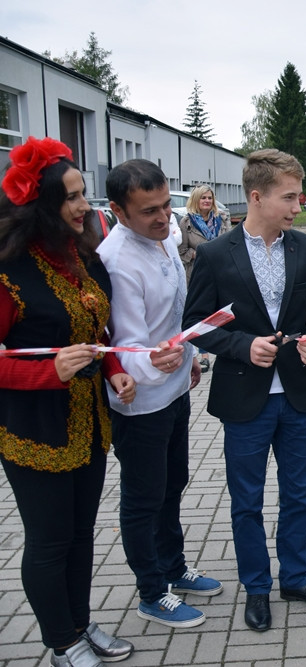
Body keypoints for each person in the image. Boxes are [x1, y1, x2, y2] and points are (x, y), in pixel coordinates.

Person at [182, 149, 306, 632]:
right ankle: (257, 587)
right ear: (256, 196)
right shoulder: (214, 254)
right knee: (247, 501)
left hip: (296, 396)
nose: (298, 206)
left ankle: (295, 577)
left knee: (299, 496)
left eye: (299, 196)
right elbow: (195, 325)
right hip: (244, 399)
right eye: (289, 197)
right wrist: (241, 345)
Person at [0, 137, 136, 666]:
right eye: (73, 197)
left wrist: (117, 371)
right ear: (41, 206)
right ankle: (60, 642)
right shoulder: (9, 272)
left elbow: (97, 333)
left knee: (81, 535)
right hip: (35, 431)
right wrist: (47, 370)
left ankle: (79, 623)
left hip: (90, 425)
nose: (86, 206)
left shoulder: (79, 257)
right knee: (49, 540)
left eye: (84, 194)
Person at [98, 160, 224, 629]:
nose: (161, 217)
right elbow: (123, 340)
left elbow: (175, 314)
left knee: (173, 483)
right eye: (148, 210)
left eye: (166, 205)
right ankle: (151, 592)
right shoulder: (115, 261)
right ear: (117, 211)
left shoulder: (164, 237)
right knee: (143, 496)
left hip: (175, 388)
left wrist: (188, 354)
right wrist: (147, 363)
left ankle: (174, 566)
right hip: (139, 402)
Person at [177, 185, 231, 372]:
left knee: (224, 313)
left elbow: (231, 244)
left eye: (209, 198)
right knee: (204, 316)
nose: (207, 201)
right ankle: (205, 355)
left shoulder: (222, 219)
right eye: (203, 198)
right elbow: (182, 251)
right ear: (196, 201)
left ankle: (227, 347)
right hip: (199, 274)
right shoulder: (186, 223)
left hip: (224, 272)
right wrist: (204, 255)